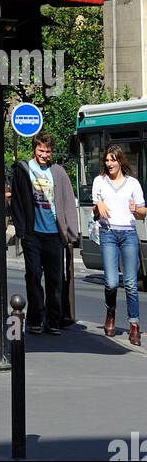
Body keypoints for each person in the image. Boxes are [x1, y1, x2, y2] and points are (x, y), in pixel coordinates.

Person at [10, 131, 79, 336]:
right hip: (32, 234)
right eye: (41, 150)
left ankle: (54, 320)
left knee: (55, 280)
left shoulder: (58, 172)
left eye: (48, 151)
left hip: (54, 234)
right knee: (33, 277)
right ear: (35, 148)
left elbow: (68, 202)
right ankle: (36, 318)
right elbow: (16, 202)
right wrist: (21, 230)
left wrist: (70, 234)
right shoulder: (23, 170)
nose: (44, 154)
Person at [92, 145, 146, 346]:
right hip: (108, 234)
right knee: (112, 282)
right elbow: (95, 212)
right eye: (107, 160)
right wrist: (98, 207)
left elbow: (142, 212)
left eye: (113, 160)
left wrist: (136, 210)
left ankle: (134, 325)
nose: (109, 163)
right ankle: (111, 313)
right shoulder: (100, 181)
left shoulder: (133, 183)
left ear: (120, 161)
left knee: (131, 284)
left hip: (128, 235)